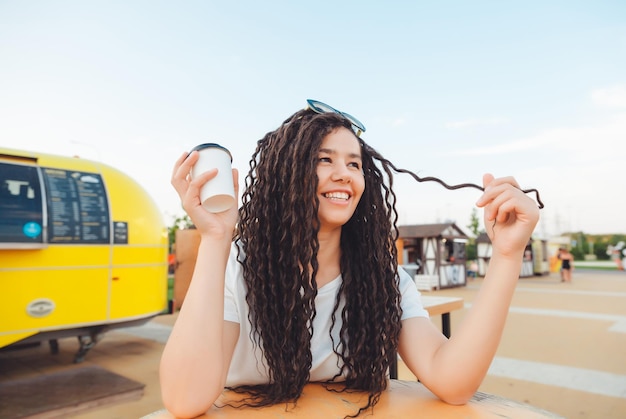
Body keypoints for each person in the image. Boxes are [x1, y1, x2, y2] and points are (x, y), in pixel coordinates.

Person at [160, 99, 540, 419]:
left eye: (354, 164)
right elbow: (184, 399)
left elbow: (453, 382)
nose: (344, 175)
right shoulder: (236, 268)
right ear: (286, 174)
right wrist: (216, 237)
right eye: (324, 160)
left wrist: (506, 256)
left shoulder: (383, 280)